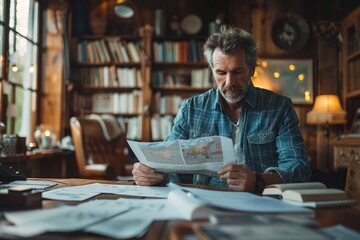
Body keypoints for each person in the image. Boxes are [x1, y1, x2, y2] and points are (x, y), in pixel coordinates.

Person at [132, 25, 311, 192]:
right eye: (221, 73)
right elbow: (166, 162)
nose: (229, 82)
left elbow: (299, 167)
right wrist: (149, 173)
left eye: (237, 72)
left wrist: (257, 180)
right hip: (204, 203)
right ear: (212, 71)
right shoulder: (192, 108)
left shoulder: (279, 108)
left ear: (252, 70)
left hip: (261, 201)